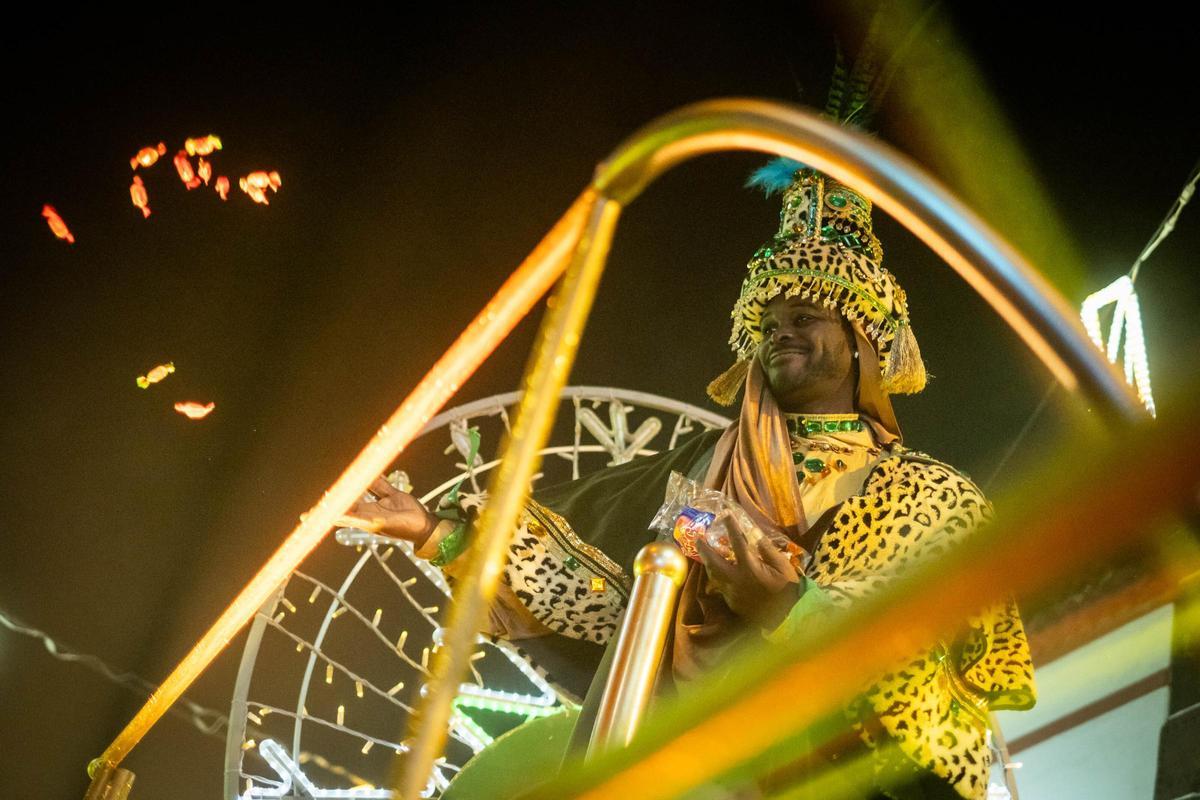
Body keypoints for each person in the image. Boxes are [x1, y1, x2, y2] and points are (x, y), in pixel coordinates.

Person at [351, 163, 1036, 799]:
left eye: (805, 318)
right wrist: (435, 533)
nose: (782, 335)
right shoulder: (699, 469)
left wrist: (792, 613)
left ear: (863, 339)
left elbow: (918, 671)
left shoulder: (931, 497)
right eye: (768, 324)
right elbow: (599, 593)